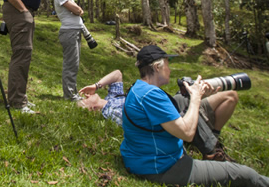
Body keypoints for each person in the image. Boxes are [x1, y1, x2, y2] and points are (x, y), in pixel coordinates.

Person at [119, 45, 269, 187]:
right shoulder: (152, 96)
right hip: (162, 168)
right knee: (242, 174)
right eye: (167, 64)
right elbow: (187, 132)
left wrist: (198, 95)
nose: (170, 68)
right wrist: (195, 97)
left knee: (207, 102)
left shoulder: (140, 89)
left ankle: (211, 146)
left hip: (143, 157)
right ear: (157, 67)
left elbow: (168, 116)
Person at [79, 69, 238, 161]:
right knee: (192, 103)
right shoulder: (110, 113)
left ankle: (212, 135)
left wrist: (96, 85)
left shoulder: (112, 97)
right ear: (91, 109)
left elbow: (117, 74)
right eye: (83, 100)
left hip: (171, 102)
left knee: (230, 95)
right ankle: (212, 149)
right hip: (167, 114)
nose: (85, 96)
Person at [54, 0, 84, 101]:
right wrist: (78, 10)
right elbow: (78, 10)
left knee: (74, 64)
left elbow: (78, 11)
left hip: (75, 32)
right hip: (69, 32)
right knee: (70, 64)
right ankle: (70, 95)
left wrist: (78, 10)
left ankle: (73, 93)